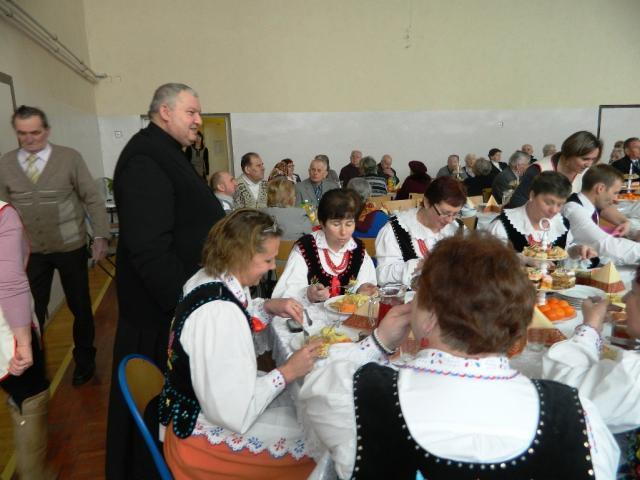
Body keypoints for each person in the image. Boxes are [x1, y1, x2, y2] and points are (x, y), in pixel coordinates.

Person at [299, 233, 619, 479]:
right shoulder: (576, 416)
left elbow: (317, 387)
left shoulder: (357, 395)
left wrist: (379, 342)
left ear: (429, 315)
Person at [106, 83, 225, 479]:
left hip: (172, 309)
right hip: (158, 317)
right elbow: (150, 249)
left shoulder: (167, 151)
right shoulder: (145, 158)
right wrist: (183, 308)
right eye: (191, 112)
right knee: (152, 411)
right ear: (164, 112)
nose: (198, 121)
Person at [160, 209, 318, 479]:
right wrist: (288, 371)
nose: (272, 267)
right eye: (267, 260)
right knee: (319, 443)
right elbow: (235, 411)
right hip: (199, 445)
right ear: (239, 256)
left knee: (302, 409)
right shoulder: (219, 313)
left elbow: (237, 319)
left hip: (194, 408)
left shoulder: (207, 278)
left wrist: (268, 306)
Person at [0, 105, 109, 387]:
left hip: (70, 246)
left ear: (47, 131)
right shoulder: (6, 164)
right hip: (30, 253)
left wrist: (100, 236)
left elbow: (92, 198)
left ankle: (84, 360)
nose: (29, 138)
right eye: (22, 133)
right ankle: (34, 370)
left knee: (80, 306)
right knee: (30, 312)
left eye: (35, 132)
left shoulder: (69, 158)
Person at [542, 265, 640, 477]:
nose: (625, 300)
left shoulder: (633, 377)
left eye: (632, 293)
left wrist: (590, 326)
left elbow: (567, 394)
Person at [0, 201, 52, 478]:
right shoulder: (2, 214)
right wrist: (24, 342)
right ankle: (34, 474)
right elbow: (9, 282)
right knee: (30, 394)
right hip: (6, 330)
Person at [507, 131, 631, 237]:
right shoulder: (539, 170)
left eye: (593, 159)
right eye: (585, 159)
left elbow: (600, 201)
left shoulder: (587, 172)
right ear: (569, 154)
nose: (589, 164)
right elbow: (517, 205)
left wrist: (623, 221)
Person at [272, 188, 377, 301]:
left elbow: (367, 284)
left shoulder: (358, 249)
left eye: (349, 224)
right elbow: (286, 294)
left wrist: (362, 290)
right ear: (322, 223)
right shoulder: (306, 248)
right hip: (310, 312)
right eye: (336, 224)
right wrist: (307, 293)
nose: (343, 232)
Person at [376, 176, 466, 286]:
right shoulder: (397, 229)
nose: (449, 220)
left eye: (455, 214)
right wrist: (419, 264)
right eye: (444, 213)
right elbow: (382, 276)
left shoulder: (456, 227)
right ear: (427, 202)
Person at [488, 171, 595, 260]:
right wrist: (521, 259)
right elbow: (489, 264)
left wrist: (576, 250)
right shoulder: (503, 225)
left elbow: (564, 255)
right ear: (532, 195)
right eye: (548, 203)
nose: (554, 210)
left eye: (560, 204)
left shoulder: (562, 224)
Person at [563, 164, 640, 264]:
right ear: (600, 188)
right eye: (615, 193)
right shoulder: (574, 209)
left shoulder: (590, 206)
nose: (616, 199)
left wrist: (634, 233)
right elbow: (603, 244)